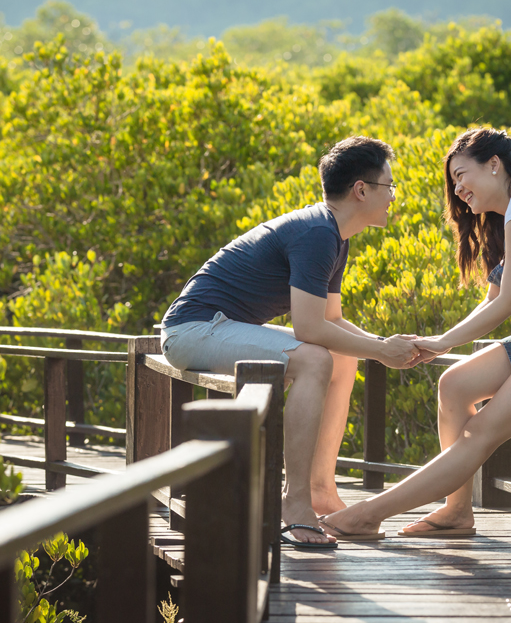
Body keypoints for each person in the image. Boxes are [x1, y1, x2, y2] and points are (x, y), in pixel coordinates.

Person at [317, 127, 511, 541]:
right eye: (454, 181)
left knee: (480, 433)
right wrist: (441, 340)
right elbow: (494, 297)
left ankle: (370, 514)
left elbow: (510, 301)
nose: (458, 188)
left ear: (494, 166)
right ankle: (456, 511)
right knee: (455, 383)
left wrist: (444, 343)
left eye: (462, 175)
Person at [160, 136, 422, 548]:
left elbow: (331, 320)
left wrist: (385, 344)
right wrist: (381, 351)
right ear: (361, 190)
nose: (393, 197)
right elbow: (309, 331)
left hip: (217, 327)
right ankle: (295, 502)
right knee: (316, 359)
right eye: (389, 187)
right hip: (193, 329)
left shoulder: (335, 235)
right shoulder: (317, 233)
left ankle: (320, 490)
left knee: (341, 358)